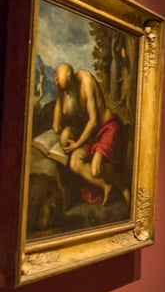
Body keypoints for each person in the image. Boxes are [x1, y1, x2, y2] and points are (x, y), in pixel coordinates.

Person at [52, 63, 129, 206]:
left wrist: (77, 144)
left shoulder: (85, 80)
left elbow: (93, 121)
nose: (67, 92)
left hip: (107, 128)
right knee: (74, 164)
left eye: (67, 88)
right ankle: (106, 187)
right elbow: (56, 127)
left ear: (73, 79)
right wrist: (59, 93)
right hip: (91, 135)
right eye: (64, 89)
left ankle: (123, 188)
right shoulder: (67, 92)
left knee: (95, 168)